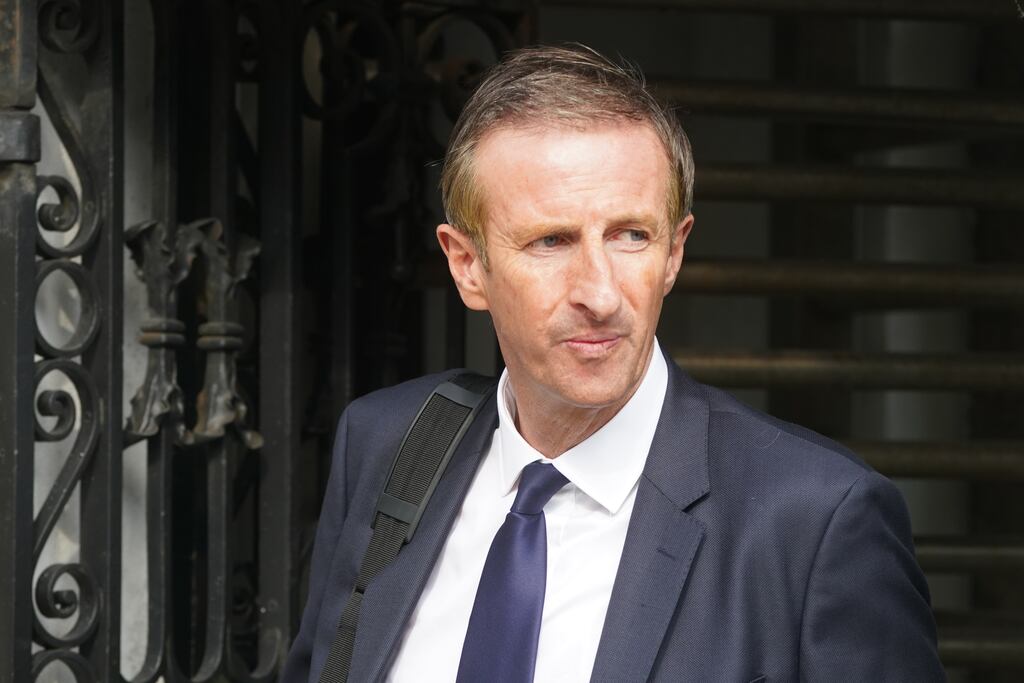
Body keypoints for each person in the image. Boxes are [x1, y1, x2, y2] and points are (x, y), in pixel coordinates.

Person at [281, 44, 944, 682]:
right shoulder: (387, 443)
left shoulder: (815, 520)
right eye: (551, 240)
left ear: (674, 252)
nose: (599, 294)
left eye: (631, 235)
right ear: (467, 266)